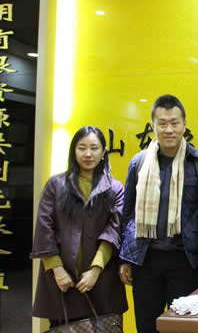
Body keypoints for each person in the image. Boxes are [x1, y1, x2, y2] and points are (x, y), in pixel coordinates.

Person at [118, 94, 198, 333]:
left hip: (184, 261)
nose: (169, 129)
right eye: (162, 123)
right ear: (153, 126)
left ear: (184, 125)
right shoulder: (139, 162)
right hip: (145, 260)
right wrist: (125, 258)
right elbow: (127, 213)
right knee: (146, 326)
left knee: (182, 327)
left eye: (174, 123)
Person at [31, 126, 127, 327]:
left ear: (103, 152)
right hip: (62, 280)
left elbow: (114, 230)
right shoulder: (56, 185)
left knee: (104, 327)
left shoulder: (115, 188)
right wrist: (57, 270)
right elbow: (44, 228)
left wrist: (95, 270)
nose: (88, 154)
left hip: (101, 279)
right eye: (82, 148)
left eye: (94, 148)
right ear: (74, 151)